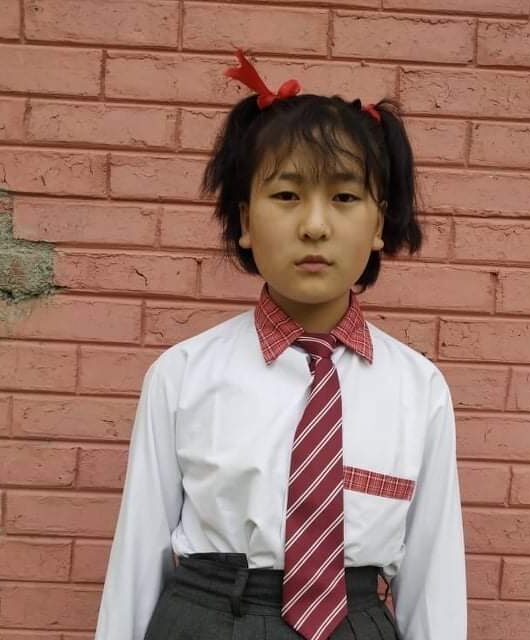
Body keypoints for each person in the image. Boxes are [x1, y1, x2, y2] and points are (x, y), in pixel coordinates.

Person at [94, 49, 466, 640]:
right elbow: (137, 555)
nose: (315, 225)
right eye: (287, 196)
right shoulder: (184, 374)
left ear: (377, 225)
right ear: (244, 220)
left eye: (344, 198)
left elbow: (433, 572)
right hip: (211, 616)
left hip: (354, 617)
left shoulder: (419, 389)